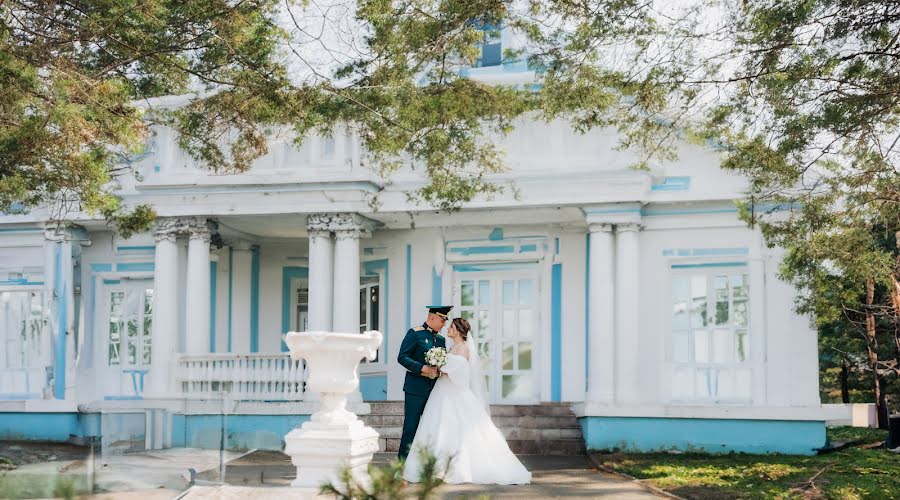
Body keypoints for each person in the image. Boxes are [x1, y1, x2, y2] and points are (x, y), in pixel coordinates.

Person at [402, 317, 531, 485]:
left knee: (454, 430)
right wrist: (437, 367)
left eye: (451, 326)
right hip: (441, 392)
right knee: (435, 428)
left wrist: (441, 368)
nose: (447, 328)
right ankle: (433, 467)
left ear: (457, 330)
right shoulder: (450, 347)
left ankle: (452, 468)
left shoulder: (464, 349)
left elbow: (461, 378)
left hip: (453, 393)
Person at [396, 305, 451, 461]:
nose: (444, 324)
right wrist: (422, 368)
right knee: (411, 427)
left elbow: (442, 363)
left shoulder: (441, 339)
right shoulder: (415, 333)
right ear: (432, 317)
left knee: (430, 428)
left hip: (434, 390)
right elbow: (402, 357)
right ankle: (402, 465)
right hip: (415, 389)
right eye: (442, 320)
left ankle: (423, 466)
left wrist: (438, 371)